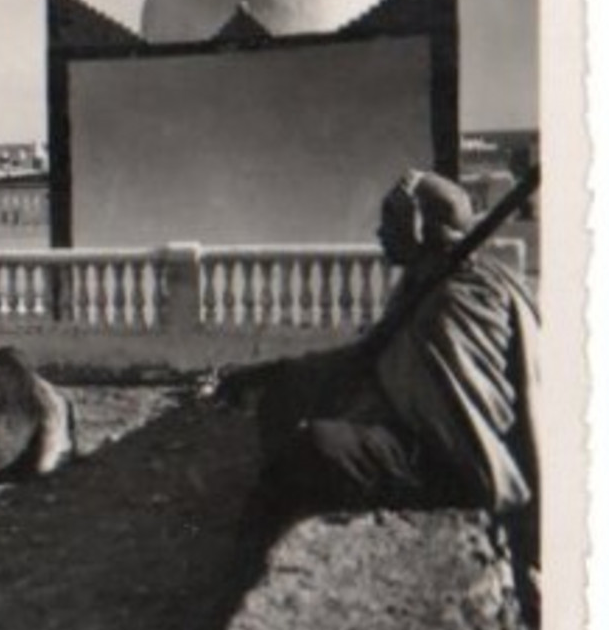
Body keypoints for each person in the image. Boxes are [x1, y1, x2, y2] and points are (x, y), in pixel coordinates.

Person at [219, 169, 539, 535]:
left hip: (456, 466)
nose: (380, 232)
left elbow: (456, 418)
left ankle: (244, 564)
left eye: (390, 220)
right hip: (419, 436)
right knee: (286, 397)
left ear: (417, 226)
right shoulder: (421, 282)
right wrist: (273, 372)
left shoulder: (458, 296)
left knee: (312, 448)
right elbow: (366, 355)